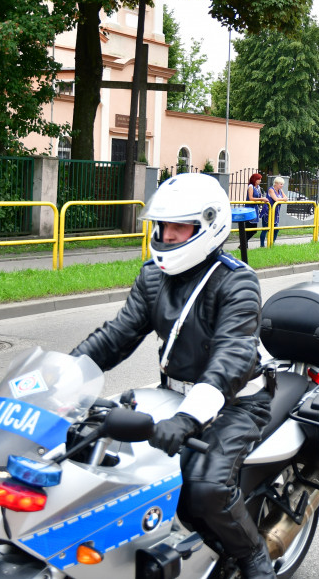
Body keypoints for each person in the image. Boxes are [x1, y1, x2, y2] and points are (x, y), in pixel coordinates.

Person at [70, 173, 276, 578]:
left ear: (209, 225)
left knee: (205, 487)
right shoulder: (153, 277)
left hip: (237, 400)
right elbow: (116, 336)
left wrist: (187, 418)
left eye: (178, 226)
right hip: (174, 394)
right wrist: (65, 377)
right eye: (161, 226)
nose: (166, 235)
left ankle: (254, 557)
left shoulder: (236, 281)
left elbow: (232, 358)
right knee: (97, 454)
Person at [245, 173, 269, 248]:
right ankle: (244, 244)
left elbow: (260, 196)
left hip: (255, 209)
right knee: (249, 228)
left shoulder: (258, 187)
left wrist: (263, 200)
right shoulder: (250, 186)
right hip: (249, 208)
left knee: (254, 230)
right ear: (255, 180)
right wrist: (262, 199)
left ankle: (244, 243)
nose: (260, 181)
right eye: (259, 179)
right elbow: (251, 198)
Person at [265, 176, 287, 244]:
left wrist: (284, 199)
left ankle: (272, 243)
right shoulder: (271, 189)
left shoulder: (280, 190)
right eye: (281, 184)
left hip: (276, 212)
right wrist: (283, 199)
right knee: (265, 230)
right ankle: (262, 245)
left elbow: (286, 197)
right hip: (269, 211)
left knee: (276, 229)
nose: (282, 186)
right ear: (276, 183)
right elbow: (276, 199)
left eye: (282, 184)